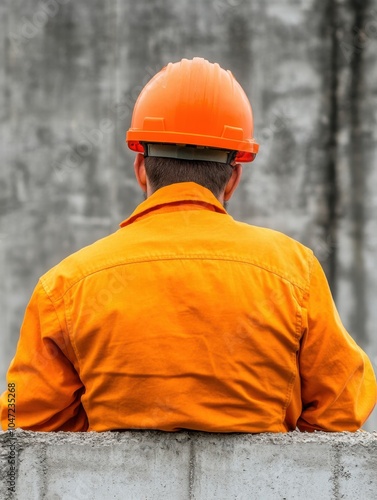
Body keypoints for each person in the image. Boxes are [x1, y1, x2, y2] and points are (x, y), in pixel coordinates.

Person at [1, 57, 375, 433]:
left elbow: (19, 417)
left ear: (140, 168)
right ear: (233, 178)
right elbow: (343, 405)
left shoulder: (64, 286)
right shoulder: (295, 271)